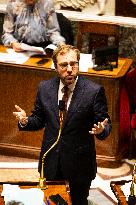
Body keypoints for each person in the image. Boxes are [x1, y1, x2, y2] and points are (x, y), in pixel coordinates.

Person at [13, 44, 112, 205]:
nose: (69, 69)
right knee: (50, 201)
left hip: (79, 166)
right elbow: (39, 119)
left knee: (78, 202)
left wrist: (101, 130)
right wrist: (25, 121)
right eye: (64, 65)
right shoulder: (45, 88)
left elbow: (106, 125)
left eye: (73, 64)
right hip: (51, 160)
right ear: (55, 67)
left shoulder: (94, 91)